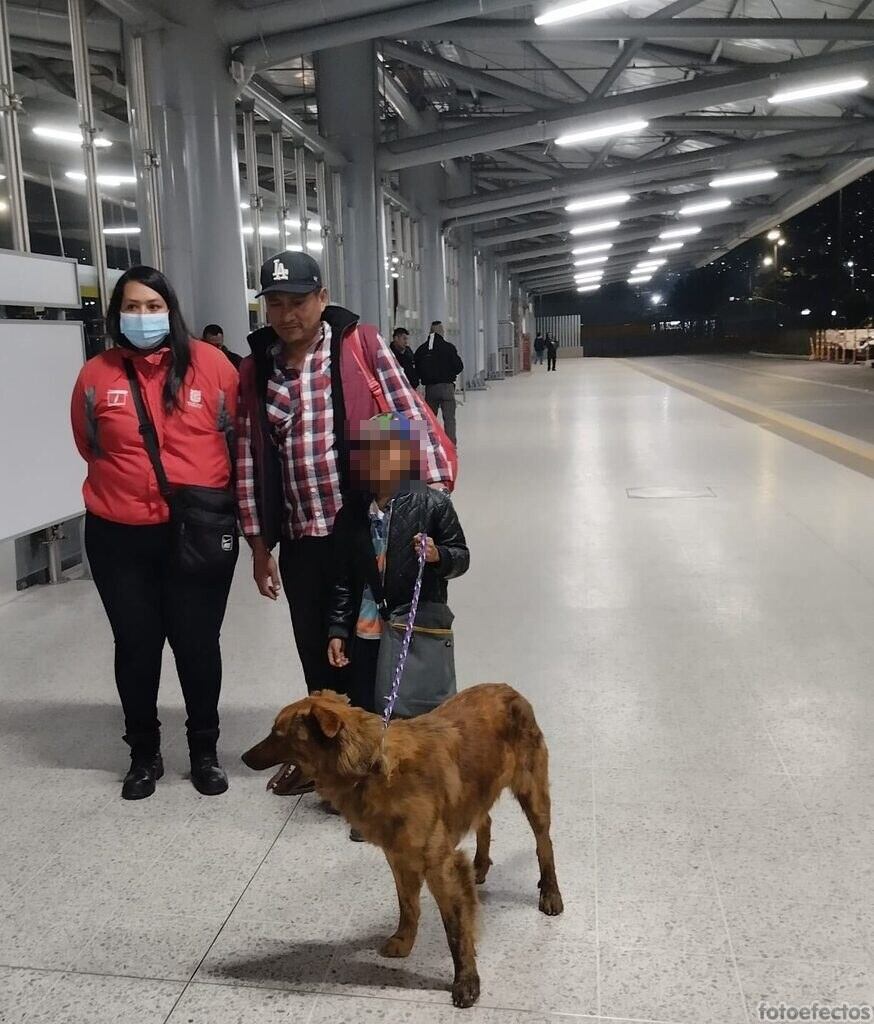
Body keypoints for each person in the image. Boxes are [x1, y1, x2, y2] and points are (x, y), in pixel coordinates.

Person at [236, 250, 454, 797]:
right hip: (302, 536)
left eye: (299, 301)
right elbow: (247, 457)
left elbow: (405, 413)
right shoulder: (258, 365)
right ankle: (319, 760)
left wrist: (432, 494)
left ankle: (376, 764)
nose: (287, 314)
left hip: (366, 530)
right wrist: (259, 546)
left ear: (322, 299)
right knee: (315, 647)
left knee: (369, 651)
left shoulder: (360, 345)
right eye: (276, 303)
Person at [71, 266, 239, 801]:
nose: (143, 317)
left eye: (153, 306)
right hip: (119, 536)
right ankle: (143, 753)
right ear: (117, 313)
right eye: (132, 307)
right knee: (136, 646)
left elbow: (238, 440)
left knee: (197, 645)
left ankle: (205, 750)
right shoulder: (96, 375)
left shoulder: (212, 366)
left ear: (171, 309)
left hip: (198, 532)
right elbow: (88, 442)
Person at [327, 412, 470, 840]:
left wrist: (438, 557)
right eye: (367, 453)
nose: (374, 463)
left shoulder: (432, 505)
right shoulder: (351, 512)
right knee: (371, 714)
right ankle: (374, 801)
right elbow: (342, 578)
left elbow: (461, 555)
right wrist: (337, 628)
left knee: (417, 711)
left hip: (413, 625)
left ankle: (429, 797)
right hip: (369, 627)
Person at [415, 320, 463, 445]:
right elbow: (459, 367)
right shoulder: (449, 347)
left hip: (430, 389)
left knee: (429, 419)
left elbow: (417, 370)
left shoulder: (421, 349)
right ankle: (451, 446)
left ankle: (428, 445)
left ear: (430, 332)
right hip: (447, 388)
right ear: (442, 332)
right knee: (449, 420)